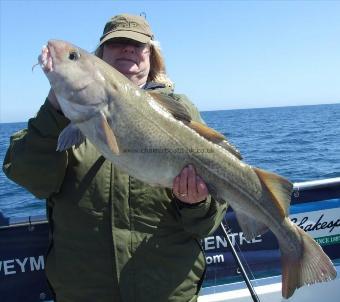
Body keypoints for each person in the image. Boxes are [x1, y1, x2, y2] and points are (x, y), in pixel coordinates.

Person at [3, 14, 227, 302]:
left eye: (138, 44)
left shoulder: (181, 112)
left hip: (165, 291)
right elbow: (31, 177)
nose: (128, 49)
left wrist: (196, 203)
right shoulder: (61, 116)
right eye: (118, 43)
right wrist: (55, 108)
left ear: (151, 55)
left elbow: (206, 223)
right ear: (99, 56)